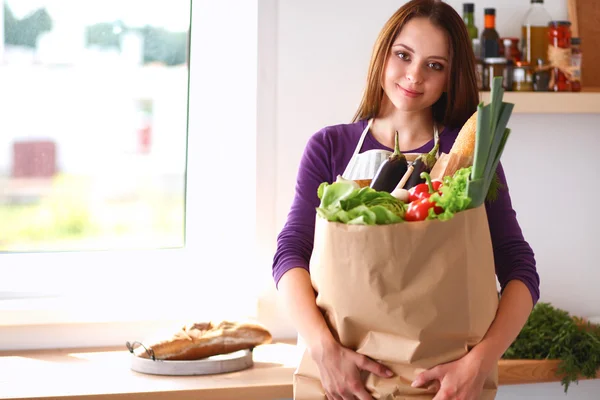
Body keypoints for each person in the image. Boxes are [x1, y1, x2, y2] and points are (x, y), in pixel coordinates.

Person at [272, 0, 540, 399]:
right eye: (404, 55)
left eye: (435, 65)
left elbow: (519, 266)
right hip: (342, 381)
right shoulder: (330, 147)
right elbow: (290, 252)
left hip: (442, 387)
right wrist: (324, 350)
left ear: (451, 78)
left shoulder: (471, 159)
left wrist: (480, 362)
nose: (414, 76)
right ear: (383, 55)